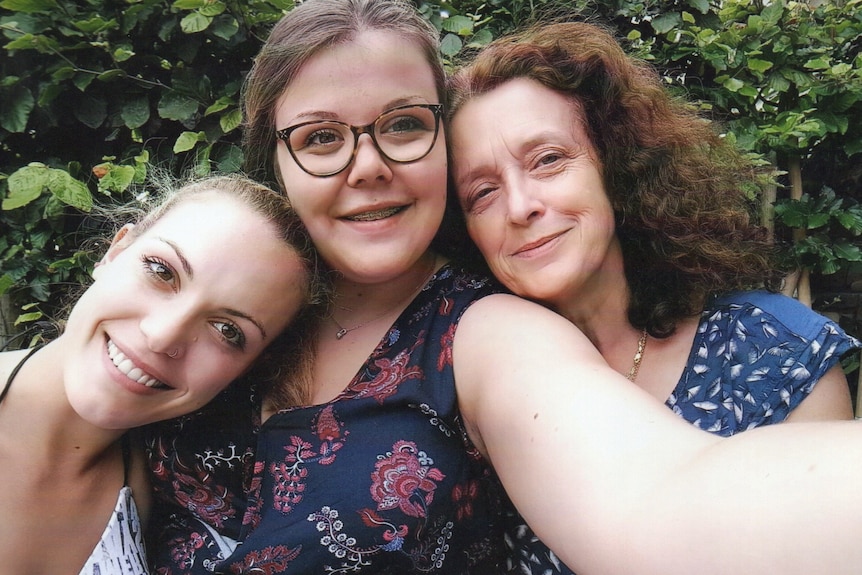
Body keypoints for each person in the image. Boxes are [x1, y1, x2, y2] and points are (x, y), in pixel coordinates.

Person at [144, 2, 862, 574]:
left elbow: (658, 502)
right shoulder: (213, 297)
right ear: (274, 158)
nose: (365, 165)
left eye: (402, 125)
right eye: (321, 137)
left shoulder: (482, 332)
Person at [445, 20, 862, 572]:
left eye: (548, 159)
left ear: (613, 165)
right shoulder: (460, 395)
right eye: (482, 191)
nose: (520, 206)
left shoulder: (774, 350)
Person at [0, 174, 325, 575]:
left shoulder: (161, 502)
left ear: (248, 368)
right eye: (162, 272)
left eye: (228, 331)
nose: (161, 336)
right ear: (115, 252)